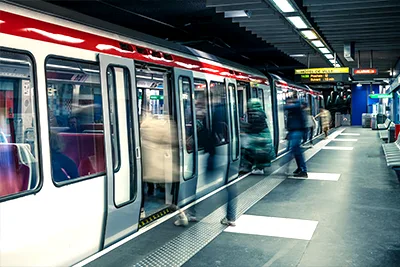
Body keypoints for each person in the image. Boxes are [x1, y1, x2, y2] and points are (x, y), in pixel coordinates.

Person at [240, 98, 275, 174]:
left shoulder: (254, 113)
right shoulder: (261, 112)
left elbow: (254, 126)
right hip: (262, 135)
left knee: (251, 150)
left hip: (258, 136)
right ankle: (257, 167)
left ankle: (254, 167)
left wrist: (243, 126)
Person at [285, 98, 308, 178]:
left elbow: (286, 107)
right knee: (296, 151)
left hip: (297, 132)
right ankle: (300, 169)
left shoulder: (297, 108)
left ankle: (303, 170)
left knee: (296, 150)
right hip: (293, 131)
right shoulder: (294, 111)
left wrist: (290, 103)